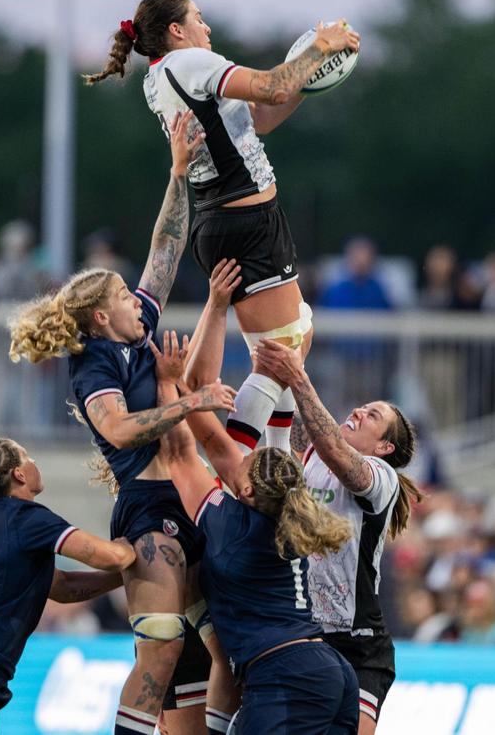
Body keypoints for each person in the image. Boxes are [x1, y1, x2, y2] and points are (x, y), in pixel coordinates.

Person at [9, 111, 238, 735]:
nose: (138, 302)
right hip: (148, 507)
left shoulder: (133, 333)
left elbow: (164, 250)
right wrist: (189, 402)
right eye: (122, 297)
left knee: (226, 654)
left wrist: (178, 173)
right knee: (160, 652)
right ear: (101, 318)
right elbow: (116, 430)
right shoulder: (94, 364)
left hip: (194, 502)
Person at [86, 0, 361, 460]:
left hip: (233, 219)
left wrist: (308, 77)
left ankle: (277, 465)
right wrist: (321, 45)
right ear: (177, 31)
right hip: (244, 220)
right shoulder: (188, 63)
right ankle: (239, 469)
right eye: (198, 18)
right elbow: (273, 85)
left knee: (288, 344)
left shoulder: (163, 75)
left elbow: (262, 116)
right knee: (285, 350)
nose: (206, 27)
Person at [185, 264, 424, 734]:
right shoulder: (308, 454)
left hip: (356, 643)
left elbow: (336, 453)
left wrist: (296, 373)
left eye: (373, 415)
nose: (359, 409)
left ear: (385, 447)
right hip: (301, 631)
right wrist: (287, 343)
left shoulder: (380, 477)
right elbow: (268, 437)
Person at [150, 333, 358, 734]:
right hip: (331, 674)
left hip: (286, 678)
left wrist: (168, 383)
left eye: (242, 468)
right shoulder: (295, 518)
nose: (233, 464)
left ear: (245, 491)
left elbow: (180, 455)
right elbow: (216, 445)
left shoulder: (231, 527)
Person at [0, 437, 135, 735]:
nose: (34, 463)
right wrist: (147, 541)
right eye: (28, 457)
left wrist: (123, 576)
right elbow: (112, 556)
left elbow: (61, 587)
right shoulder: (24, 517)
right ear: (18, 474)